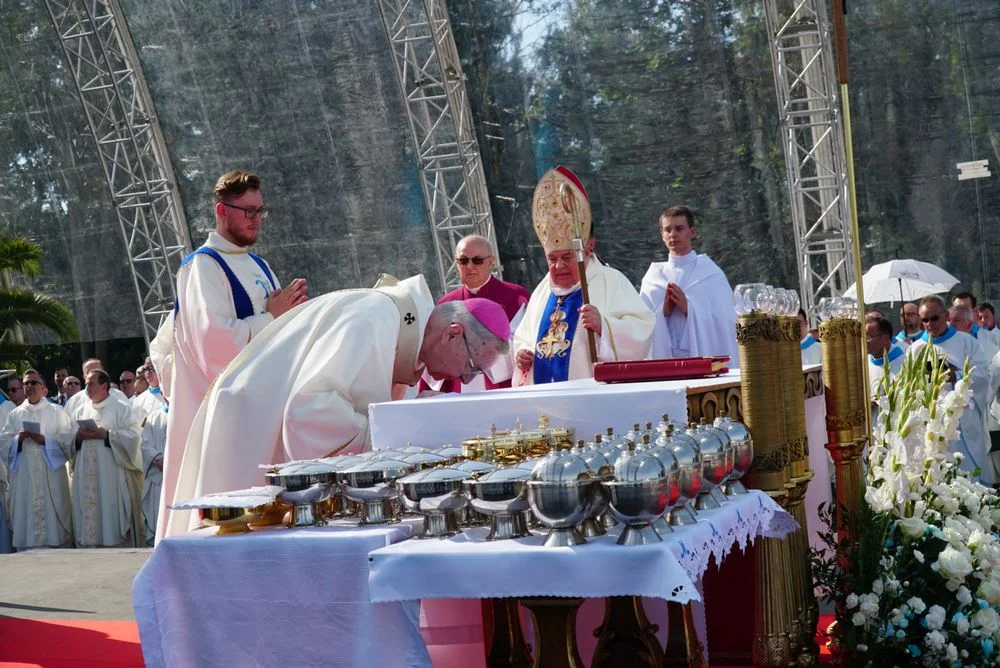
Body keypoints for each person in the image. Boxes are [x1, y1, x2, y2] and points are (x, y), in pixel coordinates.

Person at [161, 274, 510, 537]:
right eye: (472, 367)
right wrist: (396, 430)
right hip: (248, 434)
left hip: (258, 427)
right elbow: (310, 411)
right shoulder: (373, 319)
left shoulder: (401, 336)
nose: (466, 380)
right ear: (451, 333)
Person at [150, 170, 308, 541]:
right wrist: (272, 317)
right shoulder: (201, 267)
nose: (255, 219)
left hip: (263, 408)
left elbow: (277, 330)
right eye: (247, 210)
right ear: (222, 211)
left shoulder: (259, 266)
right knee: (225, 521)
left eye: (260, 211)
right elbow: (214, 346)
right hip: (221, 415)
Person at [513, 167, 654, 385]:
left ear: (588, 248)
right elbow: (524, 337)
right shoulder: (541, 292)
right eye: (552, 258)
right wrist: (522, 354)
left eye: (567, 257)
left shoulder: (611, 281)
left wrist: (604, 327)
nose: (558, 266)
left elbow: (642, 329)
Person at [419, 234, 530, 393]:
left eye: (477, 260)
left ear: (491, 261)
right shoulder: (445, 305)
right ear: (457, 263)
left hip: (502, 388)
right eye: (463, 261)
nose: (470, 266)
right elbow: (431, 352)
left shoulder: (516, 297)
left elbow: (524, 341)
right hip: (459, 390)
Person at [909, 296, 993, 484]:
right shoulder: (915, 349)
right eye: (924, 320)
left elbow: (982, 376)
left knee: (970, 472)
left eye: (934, 318)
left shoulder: (966, 342)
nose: (929, 324)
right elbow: (910, 387)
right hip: (933, 420)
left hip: (964, 419)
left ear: (946, 315)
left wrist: (958, 377)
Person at [639, 205, 738, 364]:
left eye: (679, 228)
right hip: (666, 361)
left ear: (692, 232)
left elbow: (725, 321)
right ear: (662, 235)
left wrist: (689, 309)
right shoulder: (652, 279)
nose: (673, 235)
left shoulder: (711, 275)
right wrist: (663, 312)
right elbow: (640, 325)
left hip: (702, 358)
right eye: (667, 230)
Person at [0, 370, 75, 549]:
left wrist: (45, 441)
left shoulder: (57, 411)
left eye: (33, 383)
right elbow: (3, 443)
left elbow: (68, 441)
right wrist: (18, 439)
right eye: (26, 383)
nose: (29, 386)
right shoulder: (15, 414)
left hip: (51, 474)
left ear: (43, 389)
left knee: (53, 517)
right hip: (25, 476)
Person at [69, 370, 144, 547]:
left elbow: (134, 437)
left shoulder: (121, 408)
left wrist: (107, 435)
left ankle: (114, 545)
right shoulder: (80, 410)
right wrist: (77, 438)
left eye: (91, 383)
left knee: (109, 509)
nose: (87, 388)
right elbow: (67, 440)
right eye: (86, 384)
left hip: (111, 475)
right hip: (85, 474)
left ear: (104, 386)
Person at [140, 403, 167, 546]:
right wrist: (157, 459)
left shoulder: (190, 411)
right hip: (160, 477)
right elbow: (145, 443)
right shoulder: (155, 417)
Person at [866, 317, 904, 395]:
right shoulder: (864, 363)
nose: (864, 341)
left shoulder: (904, 364)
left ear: (885, 338)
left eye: (868, 337)